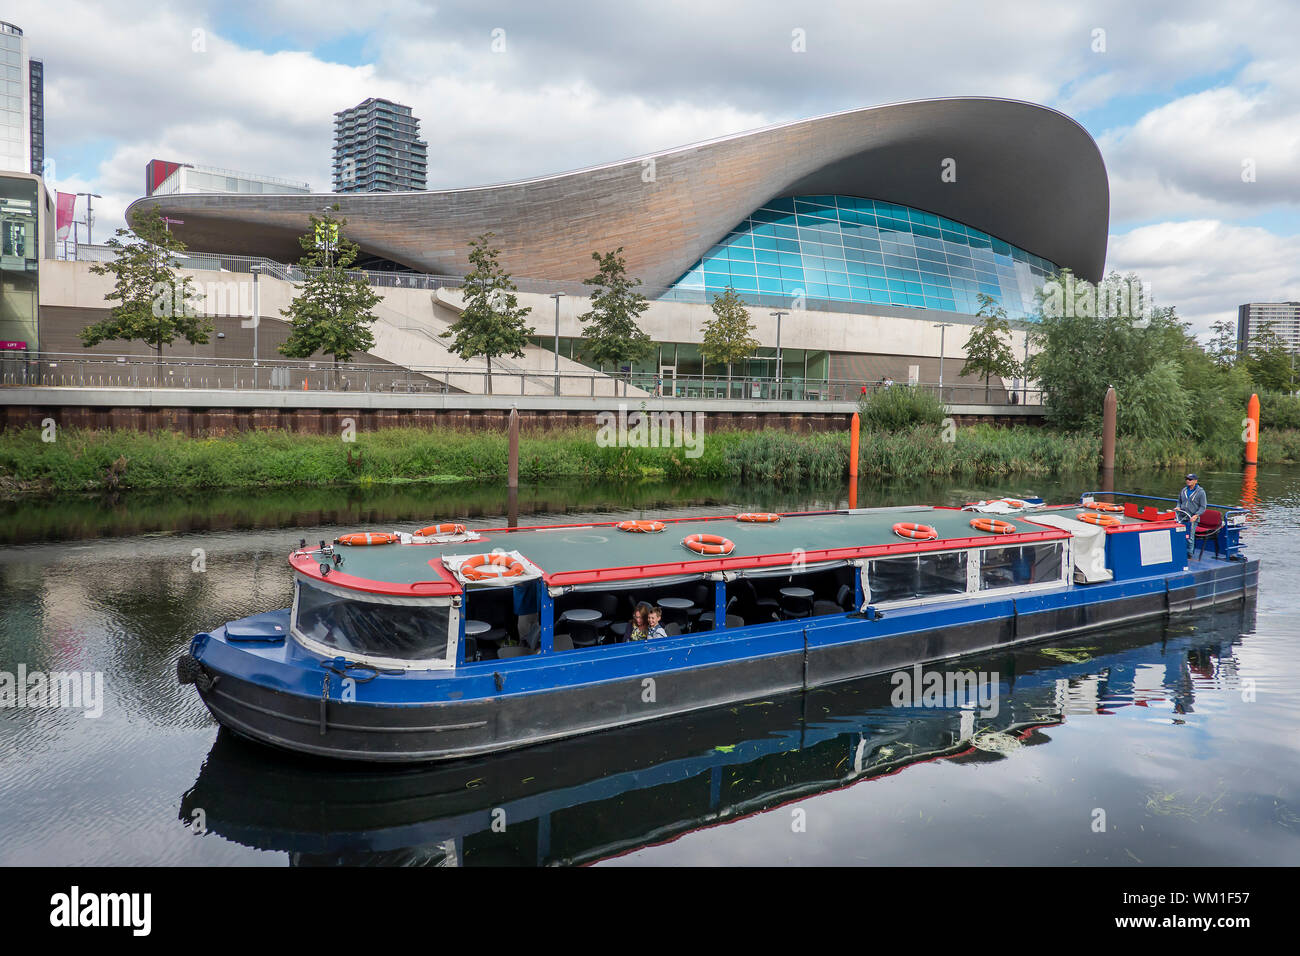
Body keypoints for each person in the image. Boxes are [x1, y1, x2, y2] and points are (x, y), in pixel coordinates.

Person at [1177, 473, 1207, 557]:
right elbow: (1179, 501)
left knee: (1190, 536)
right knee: (1180, 534)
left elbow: (1203, 507)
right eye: (1187, 479)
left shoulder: (1201, 492)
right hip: (1182, 516)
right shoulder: (1183, 490)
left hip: (1192, 518)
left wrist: (1196, 515)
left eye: (1190, 479)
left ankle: (1189, 553)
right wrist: (1178, 507)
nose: (1187, 481)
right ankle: (1181, 550)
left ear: (1195, 481)